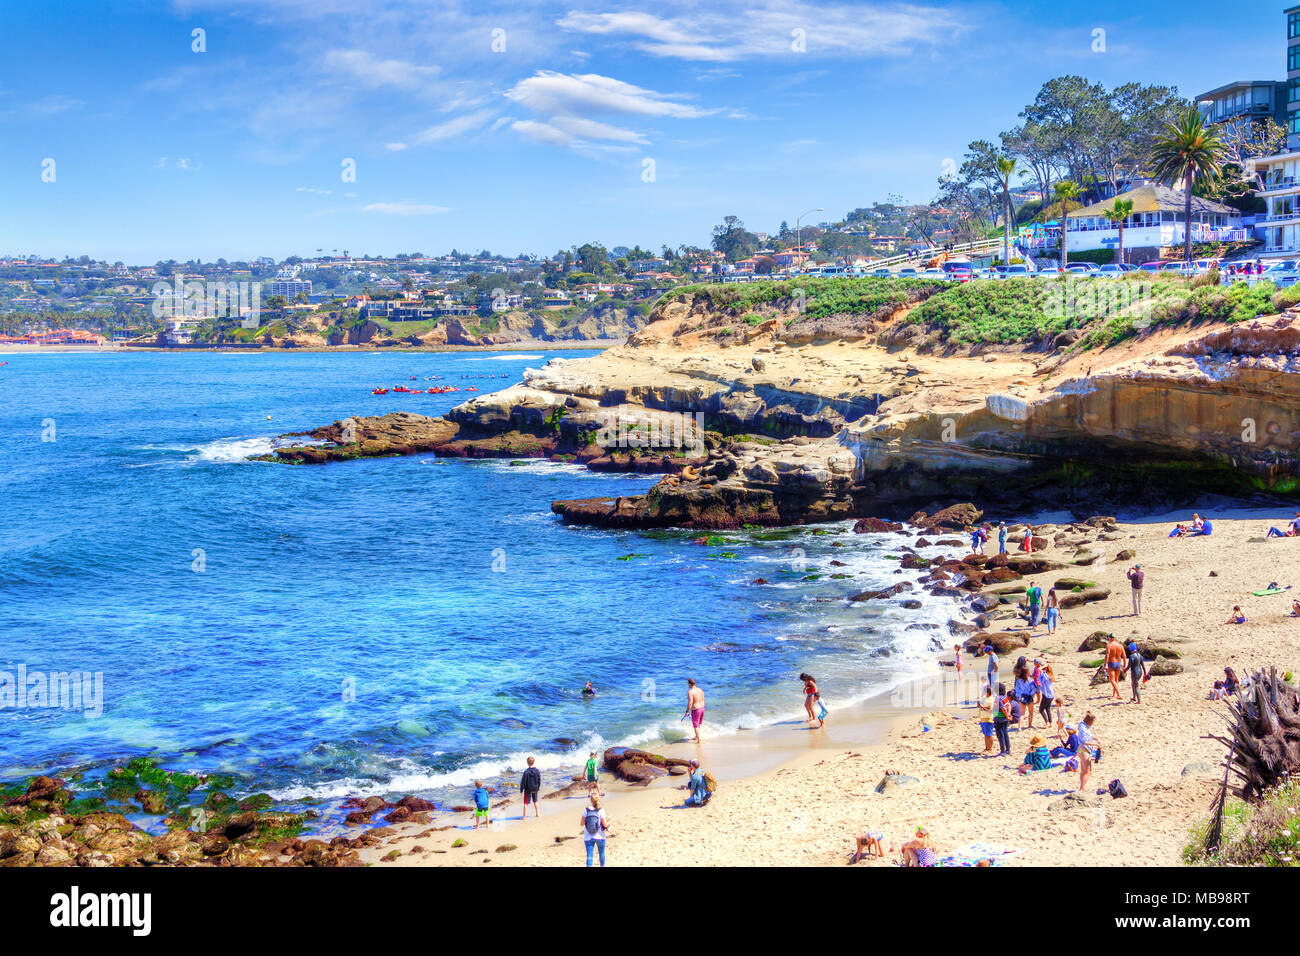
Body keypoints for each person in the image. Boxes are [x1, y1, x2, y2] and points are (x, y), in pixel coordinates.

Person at [580, 794, 608, 867]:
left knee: (589, 856)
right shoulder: (601, 810)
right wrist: (608, 823)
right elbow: (605, 825)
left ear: (590, 800)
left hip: (588, 836)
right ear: (599, 800)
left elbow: (582, 824)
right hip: (600, 836)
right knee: (601, 854)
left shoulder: (586, 810)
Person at [1076, 713, 1099, 791]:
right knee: (1088, 771)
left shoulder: (1082, 725)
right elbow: (1086, 741)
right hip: (1084, 750)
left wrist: (1094, 738)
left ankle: (1082, 787)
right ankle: (1082, 788)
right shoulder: (1084, 730)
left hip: (1080, 749)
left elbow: (1087, 736)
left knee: (1083, 770)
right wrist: (1096, 744)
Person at [1013, 664, 1037, 730]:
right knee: (1031, 712)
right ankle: (1030, 724)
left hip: (1022, 698)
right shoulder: (1031, 680)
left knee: (1022, 714)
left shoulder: (1018, 681)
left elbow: (1016, 689)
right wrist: (1031, 695)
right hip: (1029, 697)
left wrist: (1018, 696)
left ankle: (1019, 727)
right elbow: (1034, 689)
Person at [993, 682, 1013, 756]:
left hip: (999, 719)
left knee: (1000, 735)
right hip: (1004, 719)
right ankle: (1008, 749)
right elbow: (1009, 705)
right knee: (1005, 734)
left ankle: (1003, 751)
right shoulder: (1005, 697)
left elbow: (1003, 708)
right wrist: (1009, 714)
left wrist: (1007, 715)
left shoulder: (998, 698)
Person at [1104, 635, 1126, 701]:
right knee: (1116, 680)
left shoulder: (1109, 645)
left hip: (1111, 663)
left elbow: (1107, 655)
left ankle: (1118, 694)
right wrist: (1124, 665)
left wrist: (1105, 665)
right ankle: (1114, 694)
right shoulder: (1120, 646)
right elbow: (1124, 656)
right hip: (1118, 663)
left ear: (1110, 638)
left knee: (1111, 680)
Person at [684, 678, 706, 744]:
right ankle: (697, 737)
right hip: (702, 708)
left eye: (688, 684)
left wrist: (687, 711)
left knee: (695, 725)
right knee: (698, 724)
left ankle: (699, 740)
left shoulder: (690, 692)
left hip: (696, 710)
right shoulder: (700, 689)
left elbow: (690, 703)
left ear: (689, 684)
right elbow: (703, 698)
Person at [976, 685, 995, 754]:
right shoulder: (985, 698)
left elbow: (991, 710)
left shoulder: (991, 699)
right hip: (983, 718)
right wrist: (979, 705)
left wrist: (982, 707)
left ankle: (989, 748)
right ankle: (987, 748)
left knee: (989, 734)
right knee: (985, 734)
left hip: (988, 718)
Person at [1036, 661, 1056, 727]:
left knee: (1041, 710)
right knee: (1048, 709)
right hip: (1051, 695)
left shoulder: (1045, 675)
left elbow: (1039, 669)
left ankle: (1047, 723)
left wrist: (1044, 665)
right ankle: (1050, 723)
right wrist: (1045, 665)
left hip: (1047, 695)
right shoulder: (1050, 675)